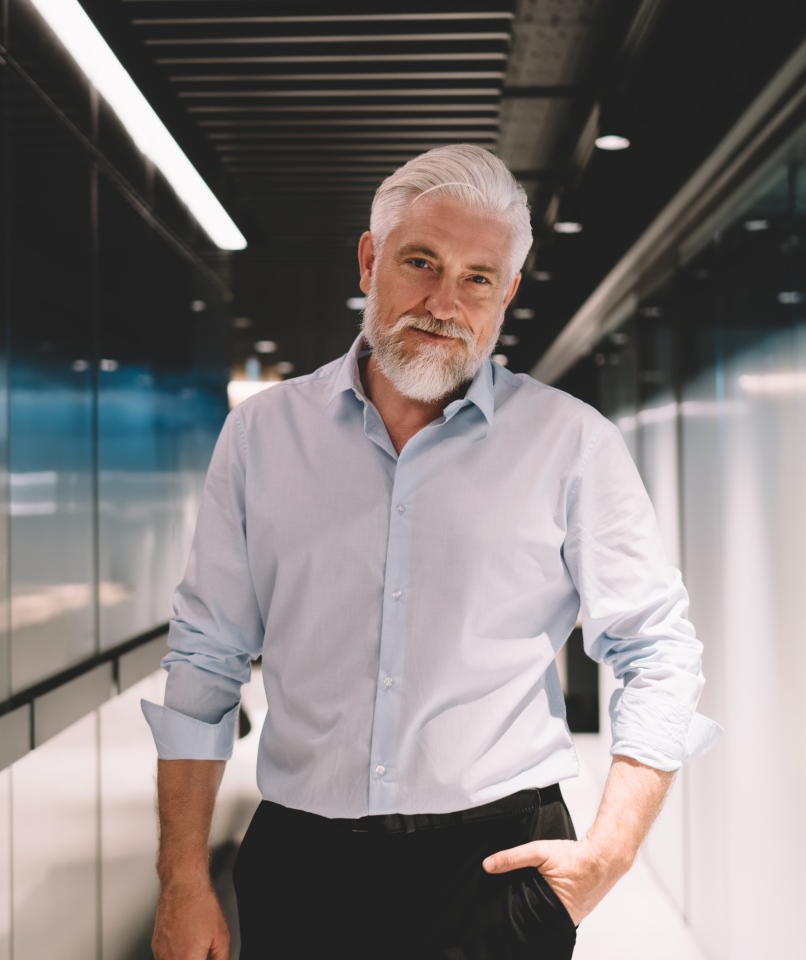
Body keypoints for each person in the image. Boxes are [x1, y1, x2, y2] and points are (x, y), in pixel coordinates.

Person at [141, 144, 720, 960]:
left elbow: (657, 651)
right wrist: (183, 877)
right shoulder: (264, 435)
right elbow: (207, 657)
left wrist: (610, 853)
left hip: (496, 872)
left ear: (508, 291)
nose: (444, 301)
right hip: (303, 867)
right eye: (422, 262)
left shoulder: (570, 443)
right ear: (371, 259)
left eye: (479, 277)